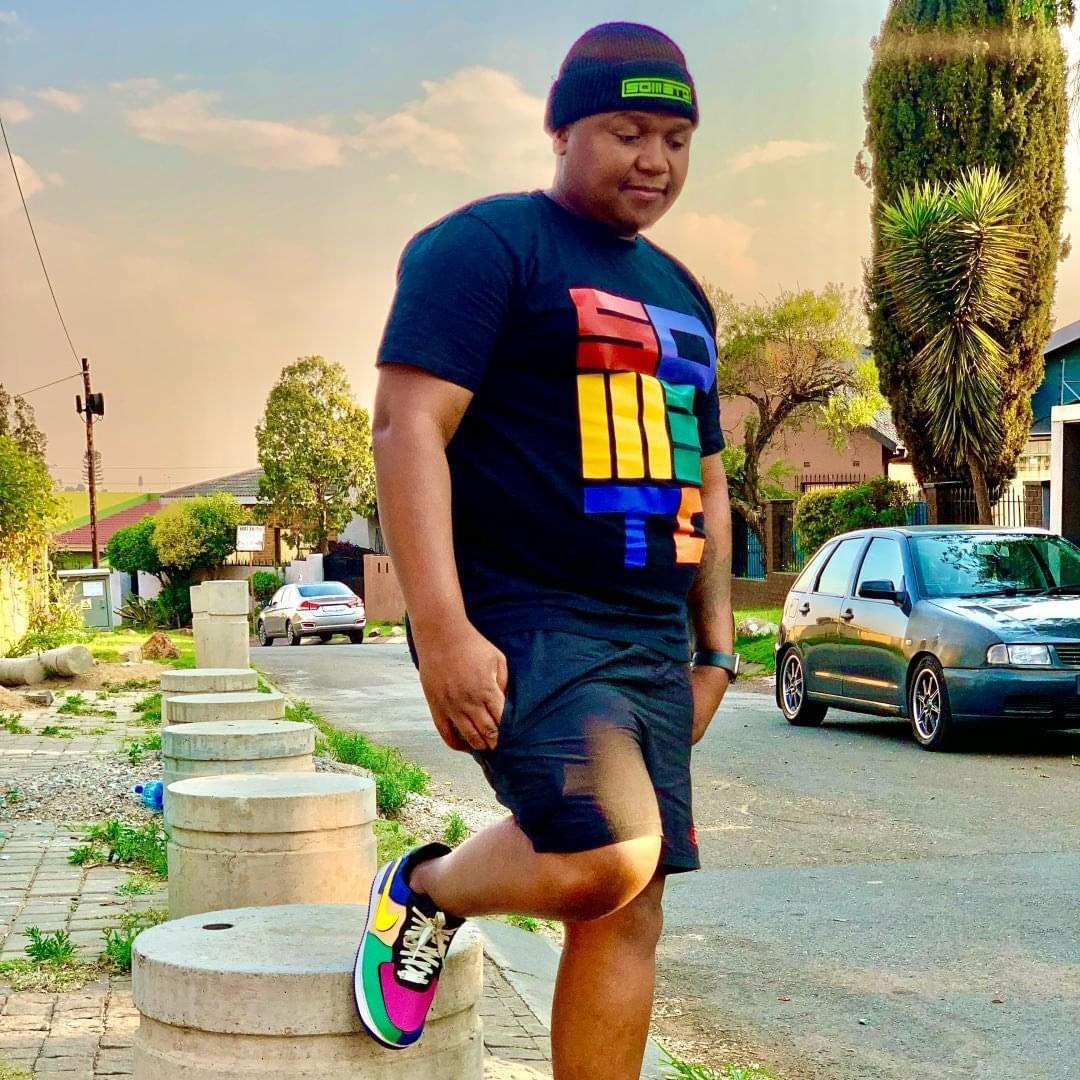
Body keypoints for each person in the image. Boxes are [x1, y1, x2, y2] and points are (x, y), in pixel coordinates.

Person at [354, 21, 736, 1079]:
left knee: (630, 906)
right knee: (602, 856)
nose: (654, 160)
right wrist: (441, 629)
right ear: (561, 129)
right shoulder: (486, 247)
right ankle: (426, 889)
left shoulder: (683, 292)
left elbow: (707, 477)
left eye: (675, 139)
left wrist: (716, 650)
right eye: (627, 131)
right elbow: (406, 428)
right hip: (526, 613)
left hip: (650, 636)